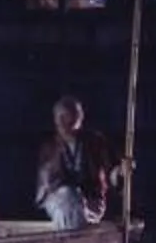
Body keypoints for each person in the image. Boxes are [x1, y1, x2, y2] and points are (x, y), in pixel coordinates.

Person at [33, 94, 120, 230]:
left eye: (66, 116)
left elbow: (111, 170)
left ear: (78, 118)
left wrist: (120, 172)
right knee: (67, 198)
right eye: (58, 117)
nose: (61, 121)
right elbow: (46, 185)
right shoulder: (50, 147)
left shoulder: (95, 142)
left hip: (91, 202)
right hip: (61, 203)